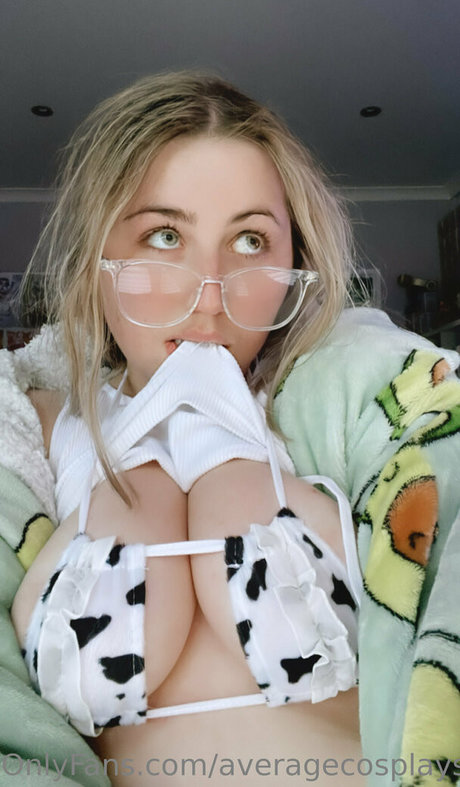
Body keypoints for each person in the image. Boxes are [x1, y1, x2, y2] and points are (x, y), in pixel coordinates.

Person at [1, 71, 459, 787]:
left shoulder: (334, 407)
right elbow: (94, 659)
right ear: (96, 259)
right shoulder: (35, 422)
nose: (209, 294)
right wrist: (148, 451)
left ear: (294, 263)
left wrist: (223, 445)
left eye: (249, 240)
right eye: (164, 235)